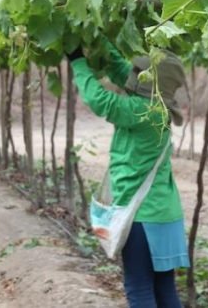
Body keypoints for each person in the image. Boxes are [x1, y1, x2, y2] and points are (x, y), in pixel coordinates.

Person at [67, 41, 189, 308]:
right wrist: (99, 39)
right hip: (164, 215)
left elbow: (101, 101)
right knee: (164, 288)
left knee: (139, 288)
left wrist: (77, 59)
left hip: (142, 218)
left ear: (149, 85)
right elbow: (127, 74)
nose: (133, 74)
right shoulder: (157, 106)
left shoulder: (141, 110)